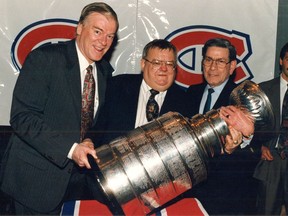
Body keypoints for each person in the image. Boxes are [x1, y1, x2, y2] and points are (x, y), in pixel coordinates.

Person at [0, 2, 119, 215]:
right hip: (34, 185)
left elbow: (87, 118)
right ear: (80, 28)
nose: (104, 41)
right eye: (98, 31)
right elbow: (23, 117)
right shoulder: (46, 58)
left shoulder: (103, 72)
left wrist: (89, 139)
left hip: (74, 187)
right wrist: (72, 149)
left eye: (110, 36)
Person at [184, 38, 258, 215]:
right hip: (191, 191)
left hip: (227, 195)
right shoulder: (191, 92)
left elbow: (257, 147)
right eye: (208, 60)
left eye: (220, 61)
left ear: (232, 66)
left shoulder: (244, 99)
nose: (212, 67)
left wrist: (246, 138)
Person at [87, 39, 190, 146]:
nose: (163, 68)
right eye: (156, 63)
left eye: (169, 64)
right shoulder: (116, 87)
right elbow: (95, 126)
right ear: (143, 64)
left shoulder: (185, 102)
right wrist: (88, 140)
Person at [253, 42, 288, 215]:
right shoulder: (263, 89)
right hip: (270, 160)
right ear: (281, 61)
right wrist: (259, 146)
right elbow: (250, 125)